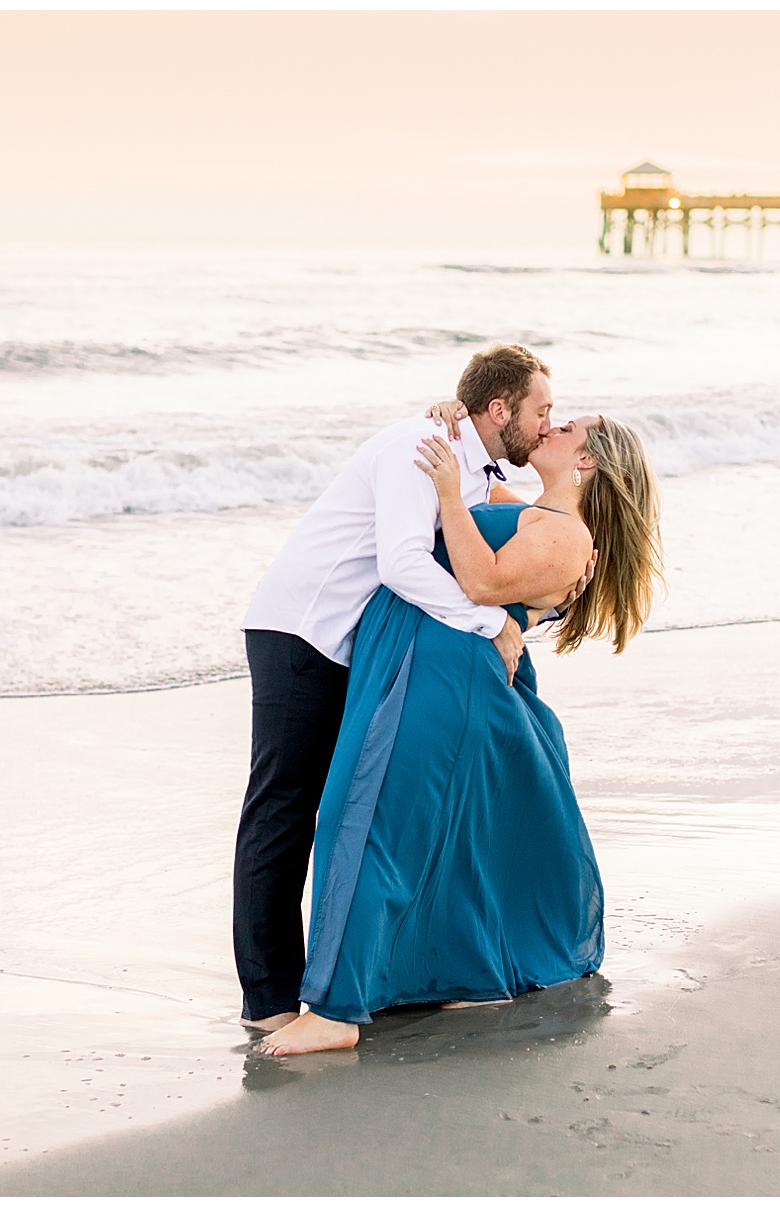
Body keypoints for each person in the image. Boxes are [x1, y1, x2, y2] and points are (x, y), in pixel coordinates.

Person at [257, 411, 662, 1056]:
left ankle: (338, 1012)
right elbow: (482, 470)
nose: (550, 430)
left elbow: (480, 582)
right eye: (547, 417)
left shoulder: (564, 534)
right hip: (427, 662)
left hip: (445, 673)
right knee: (421, 832)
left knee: (370, 820)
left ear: (586, 462)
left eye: (566, 431)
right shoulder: (534, 510)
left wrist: (446, 489)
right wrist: (455, 423)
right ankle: (454, 972)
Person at [232, 344, 574, 1032]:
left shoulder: (471, 469)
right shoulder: (427, 444)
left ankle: (350, 977)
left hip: (352, 647)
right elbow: (401, 563)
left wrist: (549, 596)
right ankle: (268, 1003)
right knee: (283, 813)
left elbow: (522, 544)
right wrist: (488, 626)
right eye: (541, 410)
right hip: (304, 632)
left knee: (341, 809)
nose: (547, 425)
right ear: (500, 408)